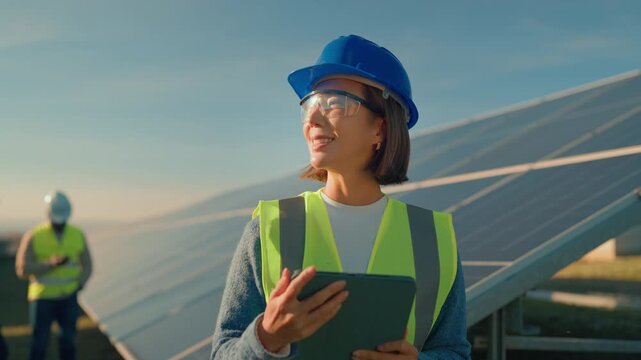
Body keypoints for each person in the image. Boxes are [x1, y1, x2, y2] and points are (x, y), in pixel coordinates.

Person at [211, 35, 471, 359]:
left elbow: (454, 350)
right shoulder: (268, 229)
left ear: (381, 129)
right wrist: (266, 338)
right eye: (311, 104)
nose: (313, 120)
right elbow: (224, 352)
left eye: (334, 103)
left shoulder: (433, 239)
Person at [15, 191, 92, 360]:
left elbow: (87, 265)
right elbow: (22, 269)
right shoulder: (34, 235)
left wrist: (79, 284)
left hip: (68, 297)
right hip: (42, 298)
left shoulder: (77, 234)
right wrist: (50, 264)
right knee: (39, 343)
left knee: (68, 342)